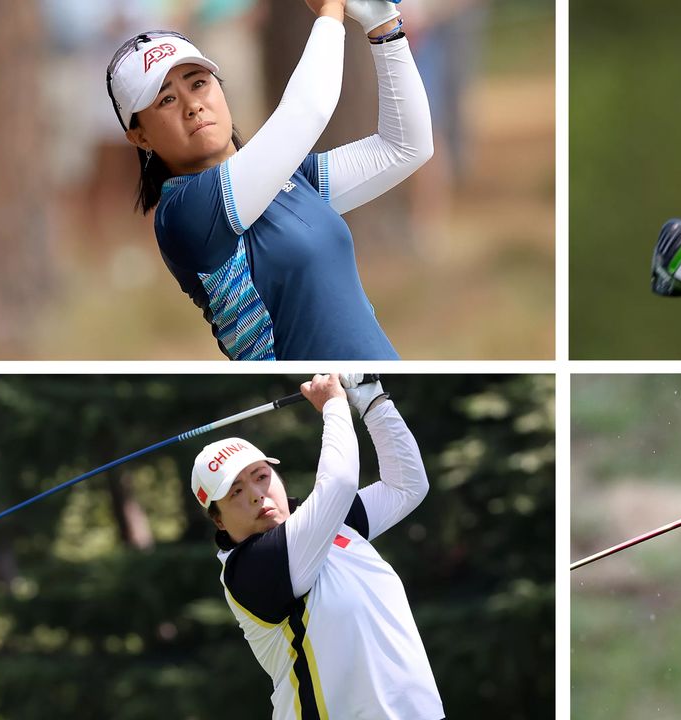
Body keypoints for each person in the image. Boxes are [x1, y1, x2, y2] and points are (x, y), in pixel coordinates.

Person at [105, 0, 433, 360]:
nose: (192, 105)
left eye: (198, 83)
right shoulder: (184, 215)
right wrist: (330, 10)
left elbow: (405, 147)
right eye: (166, 99)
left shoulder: (291, 178)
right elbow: (308, 109)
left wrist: (382, 24)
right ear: (140, 137)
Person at [190, 373, 444, 719]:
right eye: (235, 491)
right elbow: (338, 481)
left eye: (261, 476)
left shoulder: (329, 526)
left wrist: (371, 399)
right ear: (218, 520)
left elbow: (407, 486)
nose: (255, 494)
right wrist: (334, 404)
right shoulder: (252, 567)